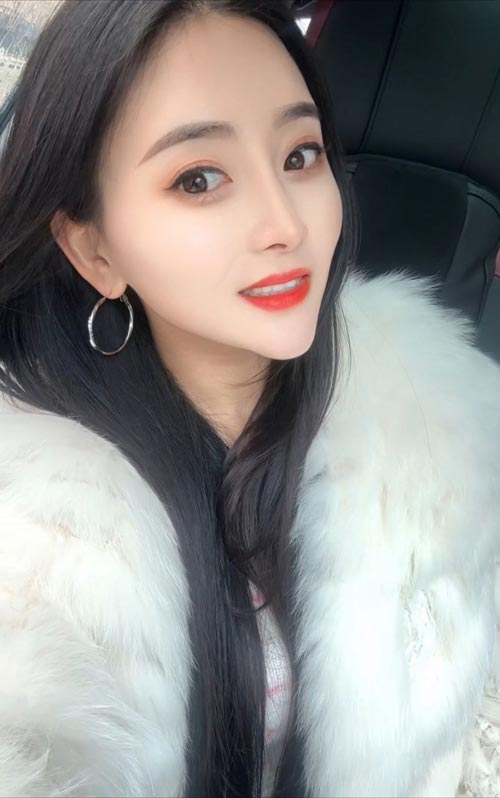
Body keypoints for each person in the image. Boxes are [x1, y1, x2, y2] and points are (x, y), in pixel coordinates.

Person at [0, 1, 498, 796]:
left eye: (301, 155)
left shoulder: (443, 430)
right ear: (93, 250)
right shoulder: (33, 545)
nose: (284, 223)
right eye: (199, 178)